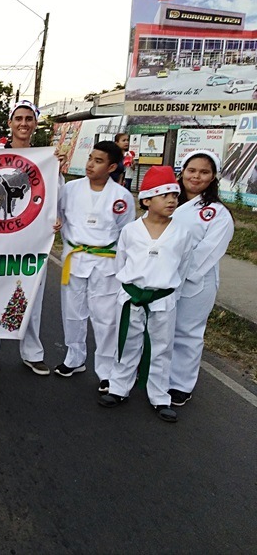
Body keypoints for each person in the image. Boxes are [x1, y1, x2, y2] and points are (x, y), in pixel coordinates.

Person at [98, 166, 193, 423]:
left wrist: (168, 292)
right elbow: (121, 262)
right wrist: (130, 288)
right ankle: (119, 387)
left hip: (162, 299)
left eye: (175, 195)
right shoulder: (130, 230)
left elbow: (182, 267)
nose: (172, 200)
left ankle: (159, 396)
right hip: (131, 296)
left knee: (161, 348)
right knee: (126, 343)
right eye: (165, 195)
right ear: (147, 200)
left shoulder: (182, 232)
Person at [0, 100, 52, 375]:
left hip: (33, 241)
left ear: (35, 124)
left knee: (30, 297)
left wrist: (55, 220)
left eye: (29, 119)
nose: (23, 124)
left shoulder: (47, 159)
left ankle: (32, 352)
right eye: (18, 118)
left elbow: (54, 197)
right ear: (10, 123)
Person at [54, 141, 135, 393]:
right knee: (72, 311)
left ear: (111, 167)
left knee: (105, 317)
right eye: (90, 158)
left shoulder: (121, 196)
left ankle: (106, 370)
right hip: (75, 257)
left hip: (106, 261)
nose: (90, 164)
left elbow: (126, 232)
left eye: (98, 161)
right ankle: (74, 357)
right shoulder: (70, 188)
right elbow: (58, 215)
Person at [169, 150, 234, 407]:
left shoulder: (218, 213)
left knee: (187, 332)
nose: (196, 176)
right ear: (182, 172)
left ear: (213, 177)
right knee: (160, 328)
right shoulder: (167, 200)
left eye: (204, 172)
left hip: (195, 282)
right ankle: (156, 372)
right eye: (192, 170)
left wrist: (178, 272)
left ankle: (180, 384)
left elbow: (208, 252)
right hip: (160, 278)